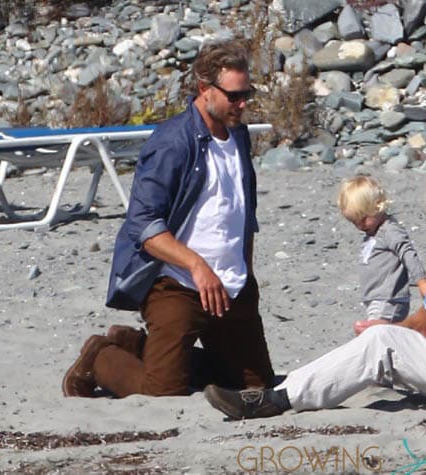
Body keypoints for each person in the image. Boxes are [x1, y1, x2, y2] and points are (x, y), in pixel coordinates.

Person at [204, 166, 426, 419]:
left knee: (381, 342)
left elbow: (425, 325)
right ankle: (288, 388)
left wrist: (381, 332)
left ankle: (276, 399)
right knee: (385, 349)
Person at [62, 38, 275, 398]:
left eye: (246, 94)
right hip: (177, 284)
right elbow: (143, 225)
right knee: (162, 391)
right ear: (205, 89)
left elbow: (242, 211)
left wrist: (247, 275)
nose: (242, 104)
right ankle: (102, 357)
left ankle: (139, 345)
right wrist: (197, 266)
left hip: (232, 287)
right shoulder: (172, 142)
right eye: (234, 96)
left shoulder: (238, 135)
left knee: (255, 387)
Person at [337, 175, 426, 335]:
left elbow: (408, 254)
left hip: (389, 299)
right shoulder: (373, 233)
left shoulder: (389, 231)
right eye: (354, 222)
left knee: (378, 335)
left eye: (364, 219)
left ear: (378, 206)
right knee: (379, 336)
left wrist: (422, 282)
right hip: (376, 299)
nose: (360, 226)